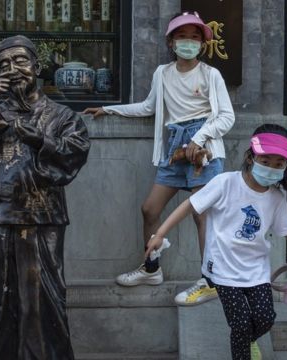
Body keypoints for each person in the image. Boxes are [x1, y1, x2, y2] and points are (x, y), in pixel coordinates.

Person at [0, 35, 90, 360]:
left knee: (42, 309)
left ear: (37, 66)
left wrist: (40, 140)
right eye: (4, 64)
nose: (13, 69)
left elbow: (73, 156)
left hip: (42, 221)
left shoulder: (63, 116)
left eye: (21, 61)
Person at [84, 11, 235, 306]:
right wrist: (110, 109)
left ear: (202, 43)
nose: (188, 42)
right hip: (174, 147)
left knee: (202, 215)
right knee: (149, 209)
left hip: (201, 147)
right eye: (182, 36)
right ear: (171, 41)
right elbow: (148, 107)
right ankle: (151, 268)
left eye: (194, 37)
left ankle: (210, 279)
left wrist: (199, 138)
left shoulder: (210, 74)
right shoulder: (162, 73)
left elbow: (227, 116)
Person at [144, 124, 287, 360]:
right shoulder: (225, 183)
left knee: (265, 319)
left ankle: (248, 341)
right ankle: (242, 350)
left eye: (279, 164)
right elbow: (190, 205)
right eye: (265, 161)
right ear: (250, 156)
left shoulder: (277, 197)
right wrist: (160, 234)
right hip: (223, 270)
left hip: (256, 271)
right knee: (240, 325)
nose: (271, 168)